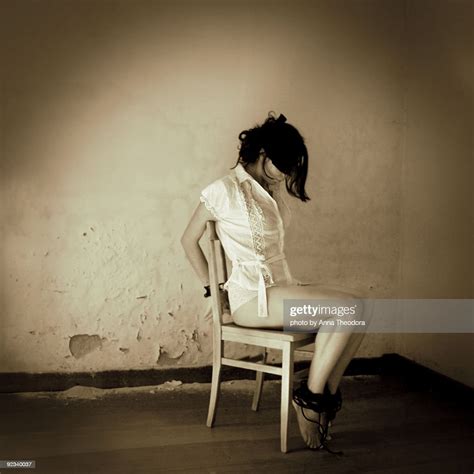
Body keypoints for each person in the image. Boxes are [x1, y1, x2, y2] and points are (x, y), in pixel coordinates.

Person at [181, 112, 369, 454]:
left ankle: (318, 393)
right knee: (349, 310)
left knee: (359, 310)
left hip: (280, 290)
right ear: (263, 154)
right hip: (253, 300)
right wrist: (214, 292)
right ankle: (310, 401)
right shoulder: (224, 190)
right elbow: (187, 241)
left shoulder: (268, 193)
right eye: (282, 165)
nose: (286, 174)